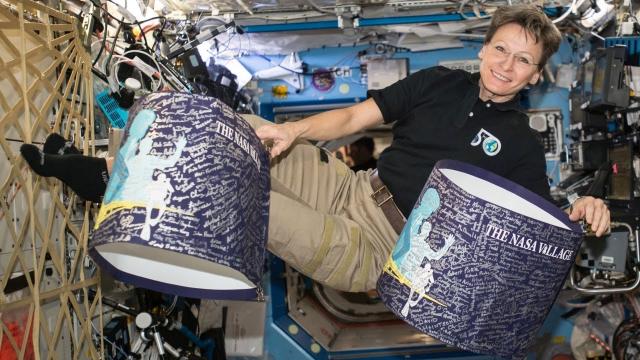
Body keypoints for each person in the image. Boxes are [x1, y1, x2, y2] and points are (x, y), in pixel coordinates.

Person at [21, 4, 610, 293]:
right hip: (351, 186)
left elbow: (541, 225)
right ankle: (102, 161)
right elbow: (356, 115)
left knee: (244, 204)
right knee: (236, 128)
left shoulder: (521, 149)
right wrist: (294, 131)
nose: (508, 66)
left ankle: (95, 180)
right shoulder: (438, 83)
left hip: (380, 246)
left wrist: (582, 214)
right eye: (502, 50)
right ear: (485, 49)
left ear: (536, 76)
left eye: (524, 61)